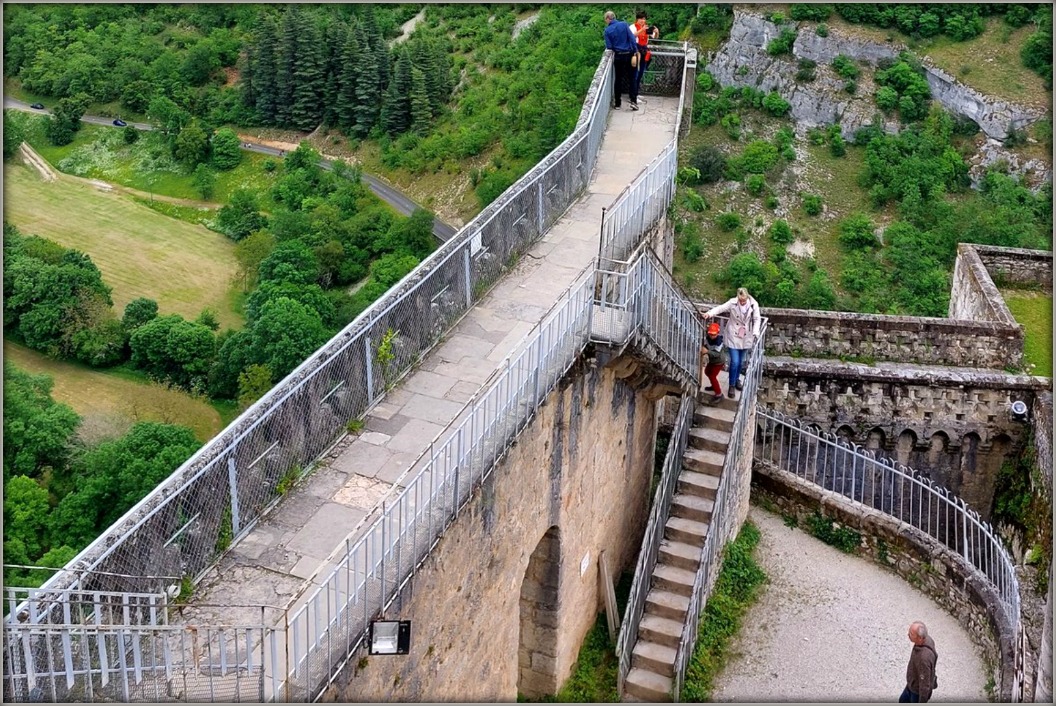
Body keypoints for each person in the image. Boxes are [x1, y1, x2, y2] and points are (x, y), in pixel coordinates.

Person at [703, 287, 761, 399]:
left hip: (746, 335)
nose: (742, 302)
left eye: (744, 300)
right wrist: (709, 314)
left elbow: (757, 319)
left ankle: (737, 378)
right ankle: (731, 385)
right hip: (733, 334)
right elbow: (721, 308)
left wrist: (755, 332)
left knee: (741, 361)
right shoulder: (733, 302)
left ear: (747, 297)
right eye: (740, 300)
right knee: (734, 361)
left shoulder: (754, 304)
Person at [603, 11, 639, 111]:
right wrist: (635, 51)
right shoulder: (624, 24)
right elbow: (632, 38)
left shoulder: (607, 30)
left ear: (607, 19)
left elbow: (609, 46)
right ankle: (633, 101)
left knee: (618, 79)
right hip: (629, 54)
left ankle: (618, 103)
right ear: (614, 17)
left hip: (618, 56)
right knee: (632, 78)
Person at [900, 621, 938, 703]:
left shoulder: (924, 658)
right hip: (911, 686)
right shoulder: (927, 639)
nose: (908, 635)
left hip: (916, 693)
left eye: (911, 634)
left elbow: (925, 685)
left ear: (920, 638)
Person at [631, 11, 659, 99]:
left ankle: (636, 93)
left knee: (641, 72)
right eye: (641, 19)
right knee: (635, 73)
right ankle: (633, 95)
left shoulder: (646, 28)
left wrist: (656, 32)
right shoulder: (633, 27)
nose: (643, 21)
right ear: (637, 19)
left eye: (644, 19)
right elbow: (632, 36)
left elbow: (655, 37)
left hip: (644, 51)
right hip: (636, 51)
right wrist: (641, 30)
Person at [701, 321, 726, 405]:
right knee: (707, 372)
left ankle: (719, 394)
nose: (712, 336)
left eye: (714, 334)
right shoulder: (707, 338)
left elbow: (717, 354)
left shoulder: (719, 342)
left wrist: (707, 351)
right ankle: (713, 386)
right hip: (712, 361)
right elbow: (706, 344)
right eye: (711, 334)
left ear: (717, 333)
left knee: (712, 375)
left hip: (719, 362)